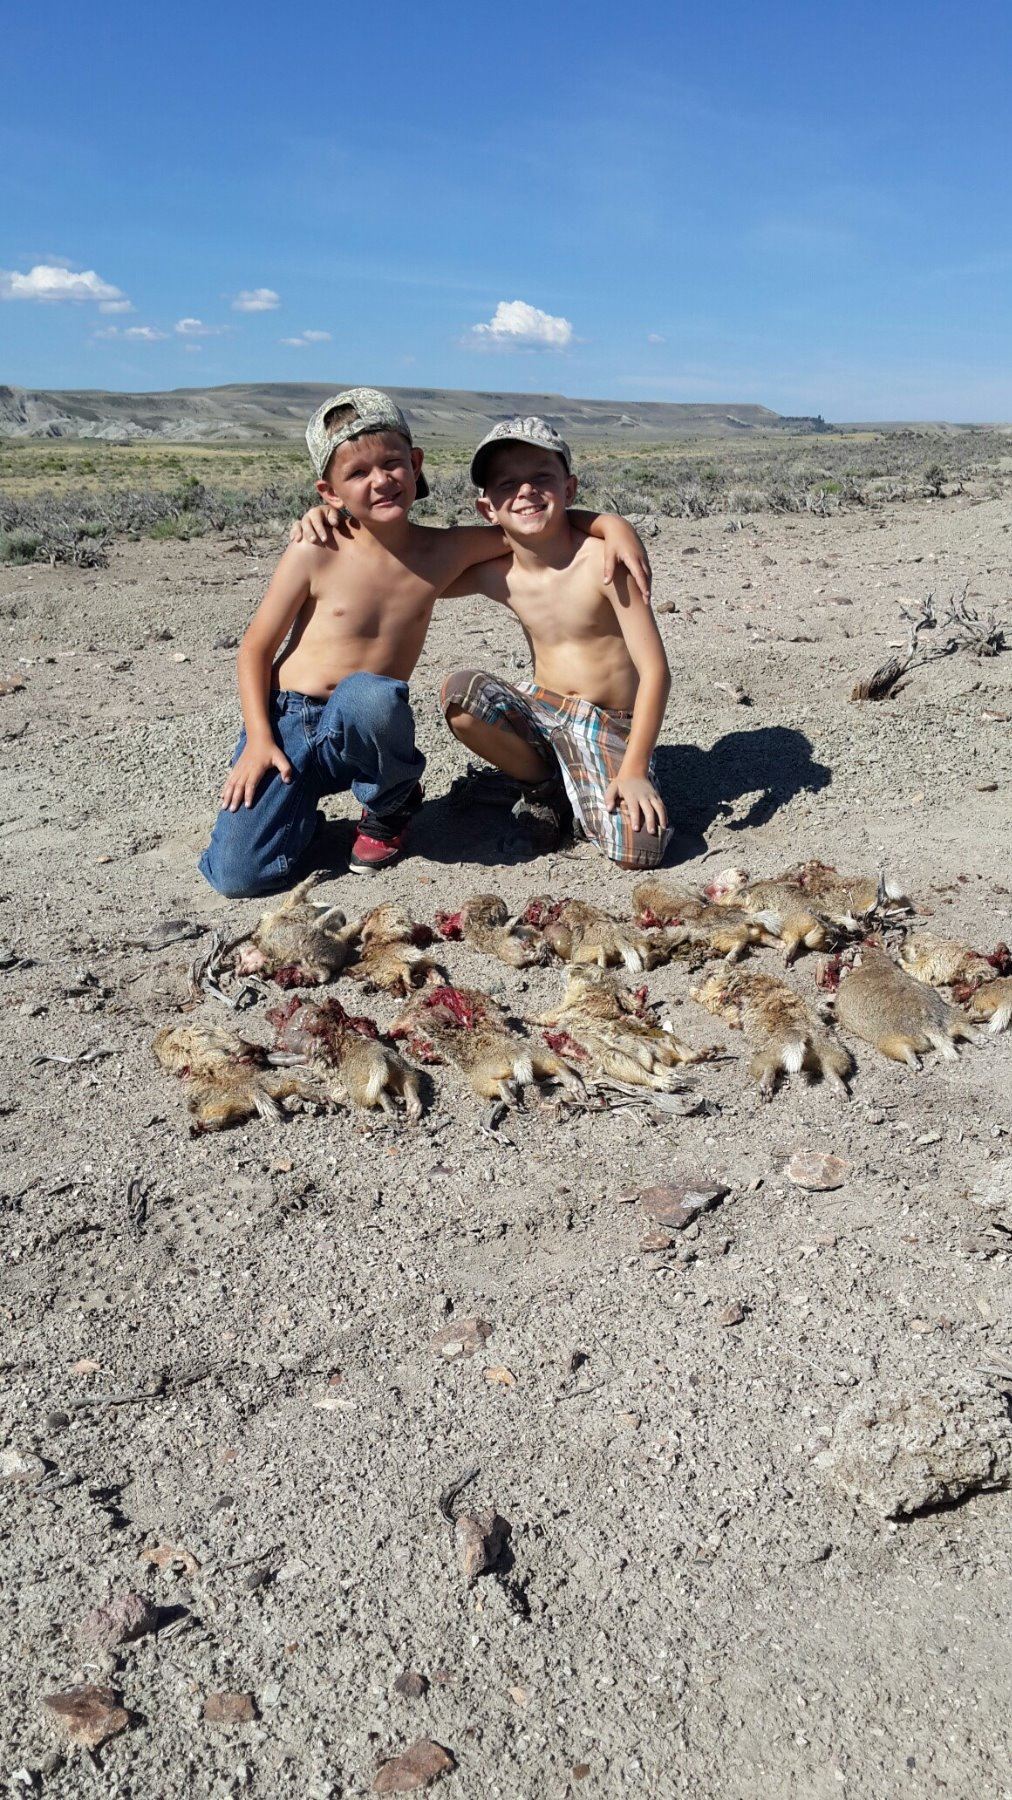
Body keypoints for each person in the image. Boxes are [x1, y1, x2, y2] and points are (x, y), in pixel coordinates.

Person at [199, 388, 651, 894]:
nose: (380, 481)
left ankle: (390, 804)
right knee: (239, 877)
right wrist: (259, 739)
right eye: (357, 474)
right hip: (287, 722)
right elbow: (255, 649)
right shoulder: (315, 549)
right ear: (330, 493)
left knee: (369, 695)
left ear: (415, 464)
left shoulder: (445, 550)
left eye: (392, 464)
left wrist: (612, 525)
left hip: (365, 723)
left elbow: (530, 525)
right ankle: (292, 816)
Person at [438, 418, 671, 868]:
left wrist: (635, 769)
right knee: (460, 696)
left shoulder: (606, 561)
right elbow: (413, 569)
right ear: (487, 508)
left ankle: (583, 781)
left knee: (638, 851)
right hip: (544, 712)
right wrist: (337, 520)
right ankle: (545, 789)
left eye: (541, 478)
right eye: (507, 485)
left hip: (610, 724)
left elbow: (656, 672)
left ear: (569, 488)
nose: (525, 491)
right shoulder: (497, 572)